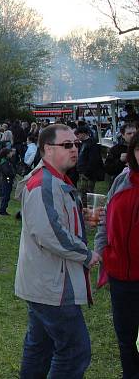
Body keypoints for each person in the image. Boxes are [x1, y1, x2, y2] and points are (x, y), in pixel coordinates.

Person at [15, 123, 100, 379]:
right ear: (46, 150)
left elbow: (52, 222)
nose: (75, 149)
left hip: (43, 281)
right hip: (52, 284)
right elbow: (50, 234)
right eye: (67, 145)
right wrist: (87, 254)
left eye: (75, 143)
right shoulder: (44, 184)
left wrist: (81, 216)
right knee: (75, 351)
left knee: (39, 347)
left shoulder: (55, 180)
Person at [93, 133, 139, 378]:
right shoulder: (122, 180)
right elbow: (104, 221)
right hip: (120, 274)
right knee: (125, 337)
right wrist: (99, 251)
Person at [75, 126, 104, 205]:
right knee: (83, 193)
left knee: (87, 194)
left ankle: (88, 209)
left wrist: (86, 173)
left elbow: (94, 160)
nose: (76, 136)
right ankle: (85, 208)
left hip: (88, 174)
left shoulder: (91, 144)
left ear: (83, 133)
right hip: (83, 173)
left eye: (78, 134)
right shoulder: (83, 144)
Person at [0, 147, 16, 216]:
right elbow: (7, 172)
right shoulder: (4, 162)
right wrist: (12, 174)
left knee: (6, 196)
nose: (12, 153)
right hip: (6, 181)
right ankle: (2, 211)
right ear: (7, 154)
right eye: (10, 152)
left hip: (6, 181)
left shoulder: (7, 161)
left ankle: (3, 209)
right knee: (5, 196)